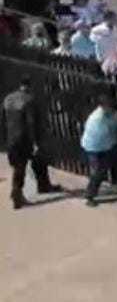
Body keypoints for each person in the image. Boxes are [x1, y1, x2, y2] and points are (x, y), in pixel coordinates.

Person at [3, 77, 60, 209]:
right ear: (30, 87)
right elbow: (31, 123)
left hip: (11, 139)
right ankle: (18, 193)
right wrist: (35, 142)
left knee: (20, 166)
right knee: (31, 164)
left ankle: (38, 186)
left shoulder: (8, 99)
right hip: (25, 139)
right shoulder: (29, 101)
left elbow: (3, 120)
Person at [81, 93, 117, 207]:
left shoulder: (112, 114)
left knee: (103, 169)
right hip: (93, 147)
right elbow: (103, 135)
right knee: (97, 171)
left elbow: (114, 130)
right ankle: (89, 196)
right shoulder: (97, 119)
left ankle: (113, 184)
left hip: (105, 145)